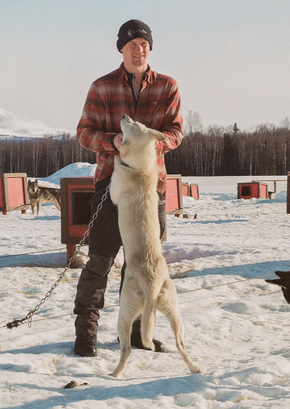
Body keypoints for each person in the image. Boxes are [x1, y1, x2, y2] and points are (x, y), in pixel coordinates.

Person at [74, 19, 184, 357]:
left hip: (152, 189)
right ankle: (86, 335)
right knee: (100, 262)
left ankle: (138, 334)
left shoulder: (167, 86)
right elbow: (84, 133)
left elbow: (176, 133)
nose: (139, 49)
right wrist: (113, 140)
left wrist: (148, 145)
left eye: (144, 44)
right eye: (133, 44)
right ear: (121, 48)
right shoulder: (102, 86)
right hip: (111, 185)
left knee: (142, 265)